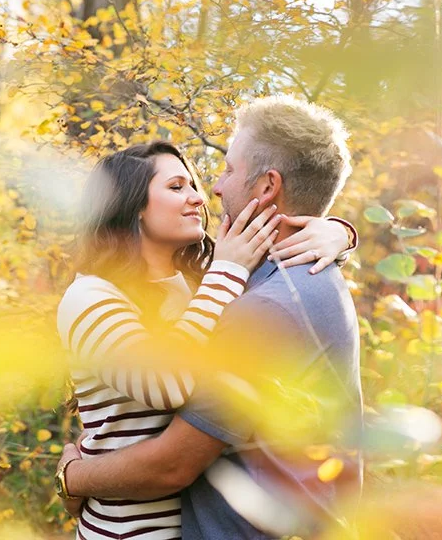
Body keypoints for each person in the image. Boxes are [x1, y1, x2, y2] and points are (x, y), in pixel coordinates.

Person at [57, 95, 363, 539]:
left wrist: (339, 232)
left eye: (226, 172)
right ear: (132, 205)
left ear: (267, 186)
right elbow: (165, 379)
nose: (207, 193)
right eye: (177, 187)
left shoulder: (215, 289)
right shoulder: (94, 296)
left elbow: (173, 457)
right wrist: (230, 269)